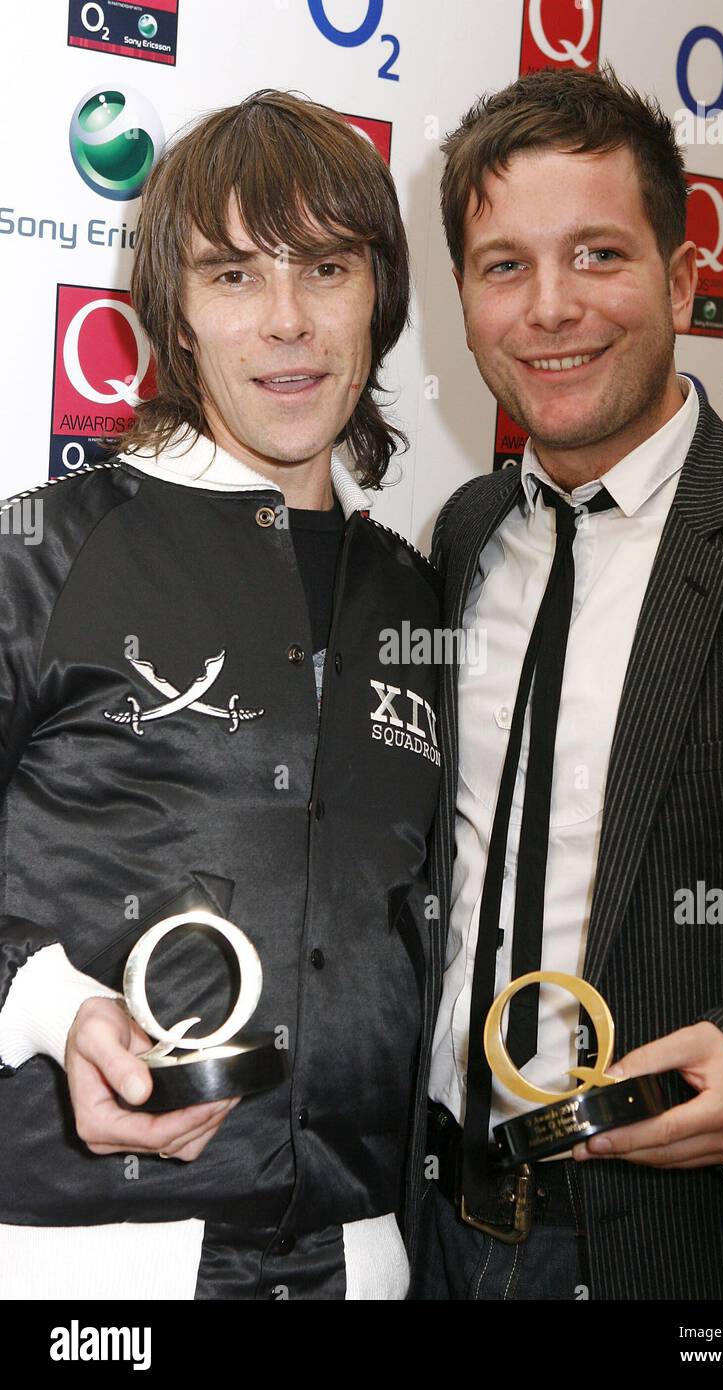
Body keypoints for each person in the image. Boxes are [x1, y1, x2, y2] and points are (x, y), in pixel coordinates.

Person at [409, 64, 723, 1300]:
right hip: (435, 1229)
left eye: (597, 254)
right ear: (463, 299)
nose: (550, 307)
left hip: (698, 1254)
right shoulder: (457, 538)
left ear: (678, 274)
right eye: (505, 265)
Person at [0, 90, 441, 1301]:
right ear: (178, 318)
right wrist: (47, 1004)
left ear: (379, 298)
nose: (288, 323)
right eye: (235, 276)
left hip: (363, 1253)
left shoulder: (413, 591)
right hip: (84, 1262)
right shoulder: (41, 554)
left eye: (328, 268)